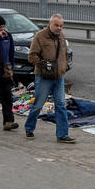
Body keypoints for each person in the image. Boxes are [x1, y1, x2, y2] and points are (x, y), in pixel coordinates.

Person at [24, 13, 73, 143]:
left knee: (61, 105)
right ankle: (29, 128)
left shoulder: (61, 37)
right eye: (56, 25)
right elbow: (31, 56)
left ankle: (62, 135)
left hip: (59, 77)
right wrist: (44, 65)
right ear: (50, 24)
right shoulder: (40, 36)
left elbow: (66, 54)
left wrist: (65, 66)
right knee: (38, 104)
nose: (59, 28)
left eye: (61, 26)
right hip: (44, 77)